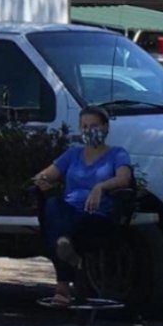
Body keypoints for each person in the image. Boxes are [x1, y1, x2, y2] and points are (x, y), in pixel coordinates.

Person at [33, 107, 133, 304]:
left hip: (95, 215)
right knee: (53, 205)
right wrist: (42, 180)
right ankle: (66, 253)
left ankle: (63, 285)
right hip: (69, 211)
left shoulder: (117, 154)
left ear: (105, 127)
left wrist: (101, 187)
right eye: (84, 126)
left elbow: (125, 179)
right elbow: (44, 175)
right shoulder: (73, 154)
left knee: (61, 230)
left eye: (94, 126)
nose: (88, 131)